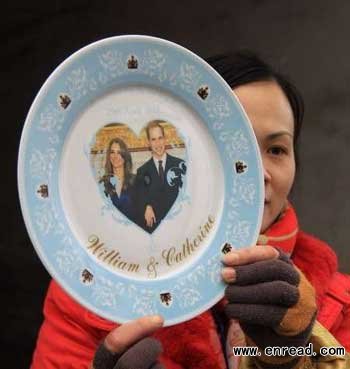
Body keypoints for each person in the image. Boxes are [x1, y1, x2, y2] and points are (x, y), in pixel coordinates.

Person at [30, 52, 350, 369]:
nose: (256, 172)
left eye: (276, 150)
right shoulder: (88, 293)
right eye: (236, 147)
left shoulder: (340, 302)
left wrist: (288, 360)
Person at [135, 120, 186, 233]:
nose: (158, 144)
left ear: (165, 139)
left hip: (182, 228)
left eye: (160, 138)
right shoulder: (141, 172)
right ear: (149, 143)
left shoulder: (181, 165)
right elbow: (139, 201)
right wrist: (147, 207)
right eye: (153, 139)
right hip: (156, 232)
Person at [99, 138, 136, 222]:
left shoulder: (136, 180)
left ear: (125, 156)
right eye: (112, 152)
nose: (115, 156)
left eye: (119, 153)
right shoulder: (102, 183)